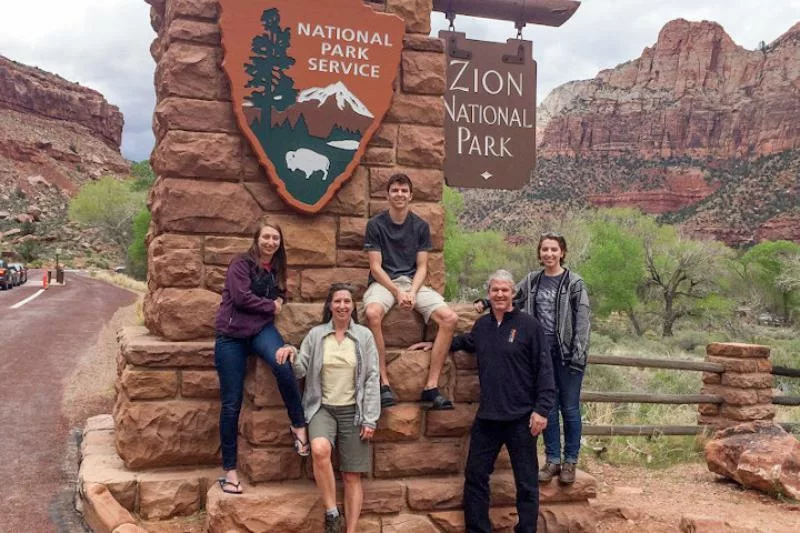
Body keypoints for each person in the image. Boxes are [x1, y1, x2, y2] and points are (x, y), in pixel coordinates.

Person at [475, 232, 590, 484]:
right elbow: (510, 296)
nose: (549, 254)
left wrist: (578, 355)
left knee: (569, 408)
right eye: (545, 249)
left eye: (554, 249)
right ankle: (552, 461)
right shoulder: (533, 280)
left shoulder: (574, 283)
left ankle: (570, 461)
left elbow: (582, 321)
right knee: (547, 406)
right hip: (539, 352)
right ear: (539, 253)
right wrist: (485, 302)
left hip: (567, 353)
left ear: (562, 252)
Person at [453, 270, 555, 533]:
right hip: (488, 418)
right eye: (495, 290)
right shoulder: (482, 326)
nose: (500, 294)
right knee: (475, 477)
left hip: (522, 418)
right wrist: (434, 345)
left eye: (505, 290)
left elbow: (545, 369)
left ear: (513, 293)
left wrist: (541, 410)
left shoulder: (529, 326)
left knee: (527, 483)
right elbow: (464, 342)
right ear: (489, 294)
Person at [213, 218, 308, 495]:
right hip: (231, 336)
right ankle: (230, 472)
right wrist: (271, 305)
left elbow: (280, 294)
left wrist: (278, 301)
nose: (270, 242)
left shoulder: (276, 267)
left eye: (275, 239)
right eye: (266, 237)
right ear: (257, 239)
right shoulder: (240, 264)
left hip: (261, 331)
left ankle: (298, 425)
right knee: (231, 403)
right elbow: (241, 298)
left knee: (283, 364)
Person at [277, 283, 380, 533]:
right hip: (322, 407)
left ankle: (351, 530)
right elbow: (301, 369)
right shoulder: (316, 335)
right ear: (330, 305)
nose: (342, 306)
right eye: (337, 301)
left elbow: (371, 377)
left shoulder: (364, 336)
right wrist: (290, 350)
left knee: (351, 475)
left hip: (353, 411)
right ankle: (332, 513)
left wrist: (370, 418)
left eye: (347, 301)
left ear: (353, 306)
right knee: (320, 450)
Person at [363, 173, 459, 409]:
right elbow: (375, 268)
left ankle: (431, 387)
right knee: (372, 314)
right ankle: (383, 383)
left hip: (413, 283)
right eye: (395, 190)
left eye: (404, 191)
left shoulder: (420, 226)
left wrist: (412, 292)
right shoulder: (375, 225)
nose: (399, 194)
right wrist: (397, 292)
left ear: (411, 195)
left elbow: (423, 266)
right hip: (385, 284)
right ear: (387, 195)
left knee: (450, 318)